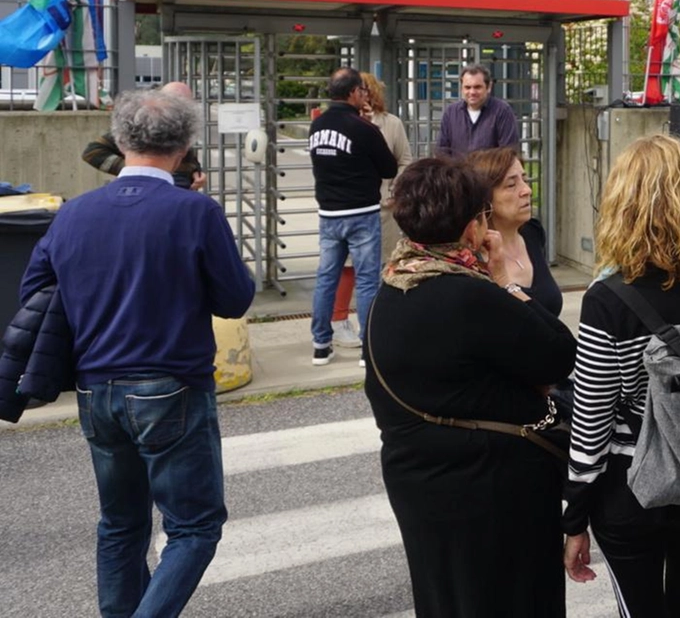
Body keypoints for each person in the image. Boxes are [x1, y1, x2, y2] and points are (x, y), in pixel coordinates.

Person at [21, 88, 255, 617]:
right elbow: (235, 298)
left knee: (120, 523)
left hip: (94, 386)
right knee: (194, 527)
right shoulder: (195, 212)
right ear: (186, 145)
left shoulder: (75, 212)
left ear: (121, 141)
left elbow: (33, 292)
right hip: (171, 384)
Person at [364, 157, 577, 618]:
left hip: (417, 483)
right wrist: (505, 282)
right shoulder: (472, 294)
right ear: (470, 227)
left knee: (446, 599)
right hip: (492, 489)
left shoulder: (392, 286)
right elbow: (560, 353)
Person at [563, 134, 680, 615]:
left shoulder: (608, 301)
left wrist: (574, 516)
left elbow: (592, 416)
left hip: (632, 486)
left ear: (621, 204)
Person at [308, 67, 398, 366]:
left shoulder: (316, 127)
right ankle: (367, 347)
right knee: (368, 281)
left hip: (328, 214)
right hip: (361, 213)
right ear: (352, 93)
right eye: (361, 90)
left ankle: (321, 345)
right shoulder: (363, 128)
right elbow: (389, 168)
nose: (365, 94)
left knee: (326, 279)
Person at [464, 148, 562, 317]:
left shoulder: (533, 232)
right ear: (485, 199)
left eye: (525, 180)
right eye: (511, 185)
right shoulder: (471, 260)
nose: (527, 191)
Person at [81, 81, 206, 190]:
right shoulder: (142, 123)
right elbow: (92, 152)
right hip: (149, 187)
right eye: (174, 101)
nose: (178, 108)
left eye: (184, 102)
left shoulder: (183, 126)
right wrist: (134, 168)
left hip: (180, 189)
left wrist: (196, 172)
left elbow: (188, 155)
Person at [361, 73, 414, 250]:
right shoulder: (342, 125)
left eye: (364, 90)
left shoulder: (392, 124)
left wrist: (393, 192)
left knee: (383, 262)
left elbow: (405, 160)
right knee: (349, 267)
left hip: (383, 209)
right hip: (352, 209)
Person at [436, 64, 520, 157]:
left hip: (490, 172)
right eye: (467, 87)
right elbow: (442, 150)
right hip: (457, 171)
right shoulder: (450, 113)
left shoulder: (502, 112)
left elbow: (508, 152)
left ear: (489, 87)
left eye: (477, 87)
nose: (472, 92)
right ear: (461, 88)